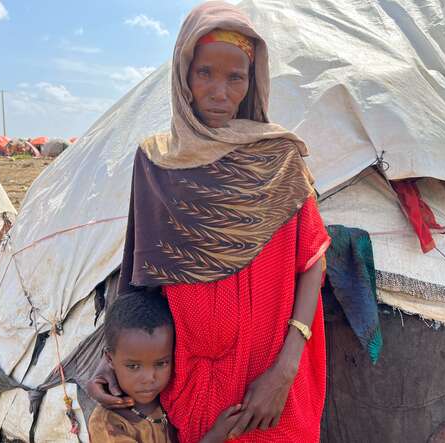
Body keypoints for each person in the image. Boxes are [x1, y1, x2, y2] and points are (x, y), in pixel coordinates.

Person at [87, 2, 331, 441]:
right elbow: (141, 269)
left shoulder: (278, 157)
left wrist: (286, 368)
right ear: (184, 75)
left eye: (235, 77)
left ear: (251, 81)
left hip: (271, 379)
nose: (219, 91)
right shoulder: (158, 161)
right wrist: (116, 357)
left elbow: (312, 259)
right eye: (205, 73)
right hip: (193, 382)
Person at [88, 290, 243, 442]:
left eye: (161, 363)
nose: (149, 378)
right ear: (109, 360)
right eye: (133, 366)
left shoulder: (172, 401)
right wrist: (216, 436)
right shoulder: (107, 423)